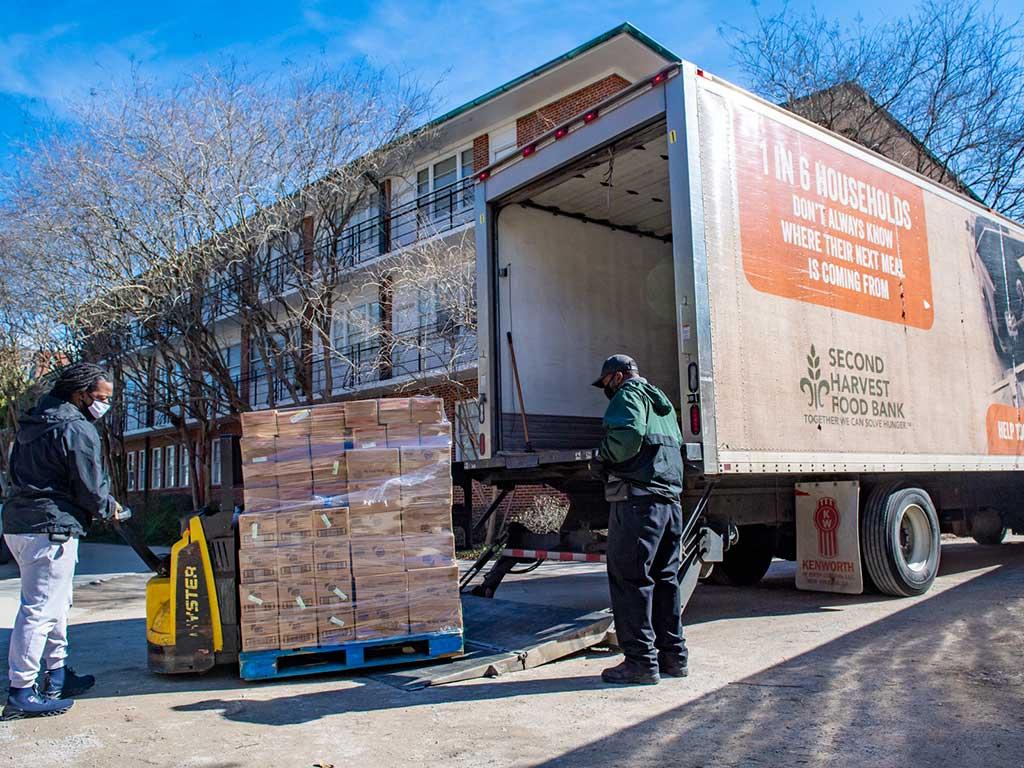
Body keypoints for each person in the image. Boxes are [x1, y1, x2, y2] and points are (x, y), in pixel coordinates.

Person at [2, 362, 119, 720]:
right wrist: (108, 507)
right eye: (101, 398)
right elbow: (89, 483)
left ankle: (56, 674)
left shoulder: (32, 423)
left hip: (20, 524)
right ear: (80, 394)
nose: (104, 405)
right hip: (50, 528)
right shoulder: (76, 427)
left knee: (56, 604)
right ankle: (22, 690)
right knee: (40, 610)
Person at [593, 354, 687, 685]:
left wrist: (602, 455)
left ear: (618, 377)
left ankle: (640, 663)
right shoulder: (662, 403)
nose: (606, 390)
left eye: (606, 383)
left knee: (631, 580)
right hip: (670, 503)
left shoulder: (628, 395)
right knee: (665, 579)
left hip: (638, 503)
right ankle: (673, 657)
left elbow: (628, 436)